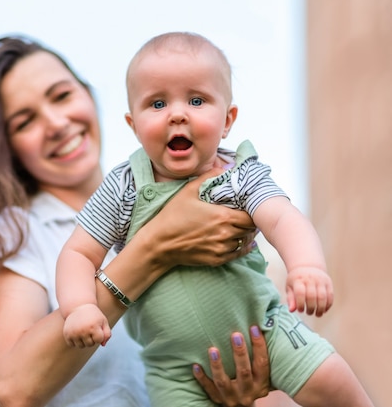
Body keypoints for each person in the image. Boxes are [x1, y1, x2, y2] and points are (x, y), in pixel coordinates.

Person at [0, 34, 276, 407]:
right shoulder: (22, 232)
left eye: (62, 96)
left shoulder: (182, 195)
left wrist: (247, 395)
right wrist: (152, 250)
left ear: (89, 94)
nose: (56, 123)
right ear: (7, 147)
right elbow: (14, 386)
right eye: (25, 122)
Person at [56, 32, 374, 407]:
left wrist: (306, 266)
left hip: (266, 331)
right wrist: (79, 306)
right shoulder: (124, 186)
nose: (177, 113)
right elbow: (78, 253)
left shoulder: (239, 174)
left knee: (334, 381)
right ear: (133, 125)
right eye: (157, 103)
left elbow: (283, 218)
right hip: (176, 371)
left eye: (196, 100)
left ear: (227, 119)